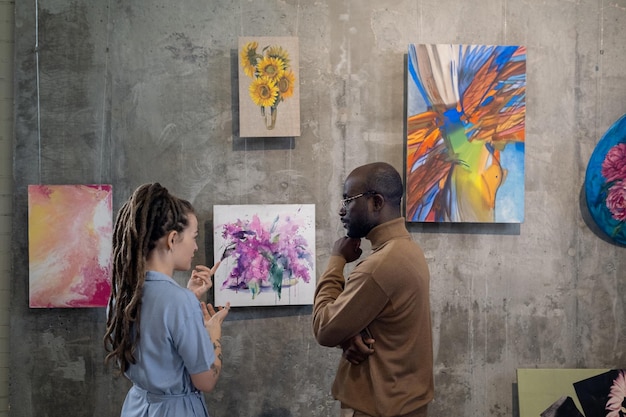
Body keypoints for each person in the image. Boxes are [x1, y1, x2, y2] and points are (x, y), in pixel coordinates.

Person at [312, 162, 434, 417]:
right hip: (404, 402)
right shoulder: (408, 250)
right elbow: (385, 323)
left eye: (348, 200)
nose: (341, 210)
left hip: (383, 407)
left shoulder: (379, 265)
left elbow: (324, 328)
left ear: (376, 202)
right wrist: (349, 334)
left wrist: (336, 259)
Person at [104, 183, 230, 417]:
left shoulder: (121, 297)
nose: (194, 247)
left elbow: (157, 331)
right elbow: (206, 381)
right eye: (193, 237)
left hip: (136, 408)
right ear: (172, 239)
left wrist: (188, 296)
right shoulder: (179, 302)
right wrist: (213, 334)